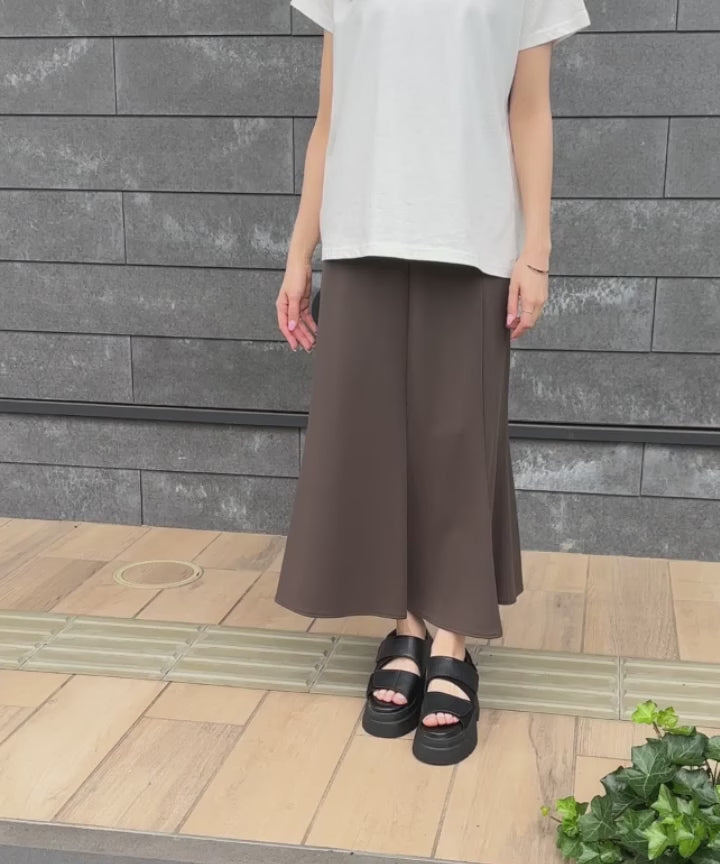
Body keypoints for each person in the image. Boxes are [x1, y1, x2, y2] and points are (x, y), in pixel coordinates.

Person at [274, 0, 591, 766]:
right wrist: (299, 252)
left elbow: (530, 110)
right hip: (361, 228)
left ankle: (452, 638)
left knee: (459, 435)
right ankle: (406, 627)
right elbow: (331, 117)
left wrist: (537, 251)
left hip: (473, 231)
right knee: (370, 439)